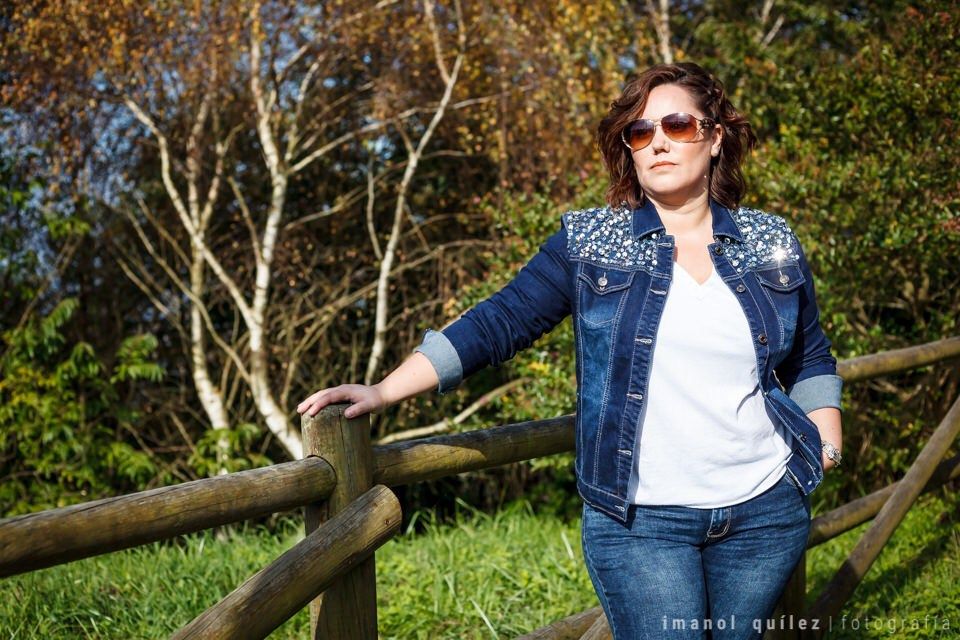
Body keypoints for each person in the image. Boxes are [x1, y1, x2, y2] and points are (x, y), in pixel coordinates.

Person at [298, 61, 843, 639]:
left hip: (764, 510)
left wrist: (826, 445)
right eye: (640, 132)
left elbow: (809, 354)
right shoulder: (590, 242)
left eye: (678, 125)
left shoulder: (770, 242)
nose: (658, 142)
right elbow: (500, 321)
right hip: (640, 521)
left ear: (714, 138)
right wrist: (384, 390)